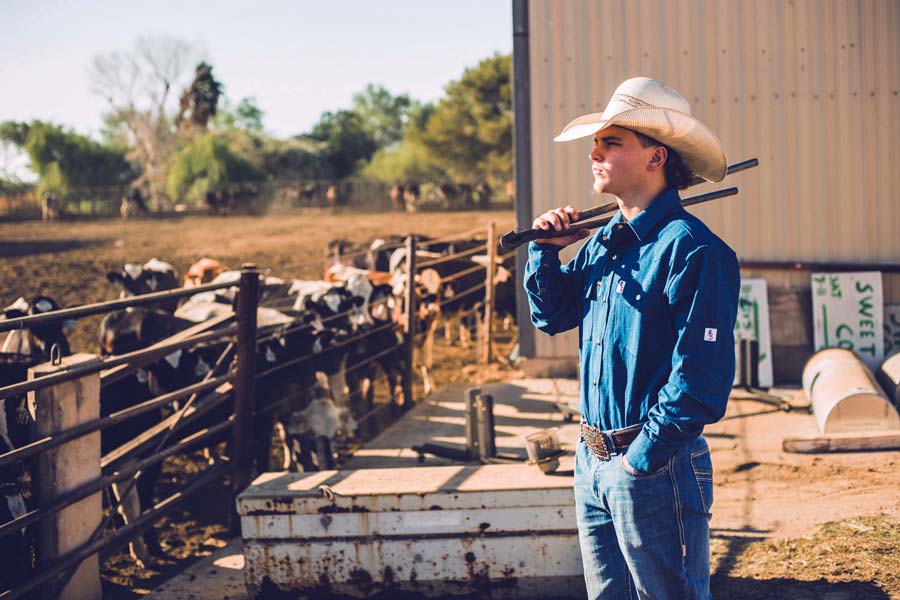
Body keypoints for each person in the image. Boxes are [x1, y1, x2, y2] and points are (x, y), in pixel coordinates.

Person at [524, 77, 740, 599]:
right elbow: (552, 316)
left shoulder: (694, 251)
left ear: (655, 157)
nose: (594, 153)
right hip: (592, 458)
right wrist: (545, 251)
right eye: (596, 143)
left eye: (611, 142)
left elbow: (700, 382)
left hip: (652, 464)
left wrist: (639, 460)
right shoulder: (604, 243)